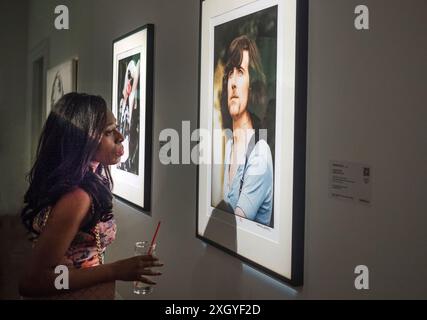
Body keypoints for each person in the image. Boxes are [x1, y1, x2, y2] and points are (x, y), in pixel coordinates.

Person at [19, 92, 163, 299]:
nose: (120, 137)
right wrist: (116, 271)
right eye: (108, 132)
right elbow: (33, 282)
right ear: (81, 139)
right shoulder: (77, 197)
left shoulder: (81, 182)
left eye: (116, 128)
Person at [220, 35, 273, 227]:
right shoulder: (230, 145)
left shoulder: (260, 153)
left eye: (240, 72)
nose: (233, 82)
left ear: (252, 85)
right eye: (230, 73)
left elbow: (232, 228)